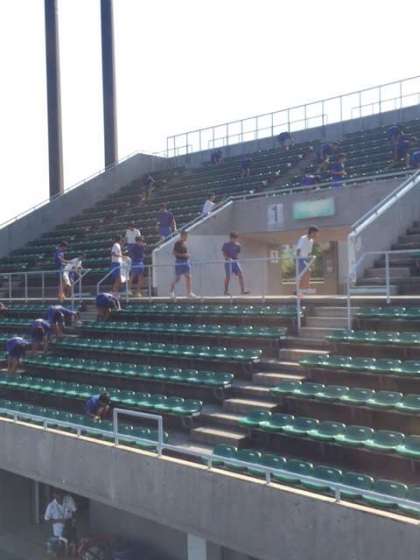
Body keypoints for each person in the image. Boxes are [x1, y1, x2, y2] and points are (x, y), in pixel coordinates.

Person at [169, 230, 196, 298]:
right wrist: (183, 255)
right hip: (179, 262)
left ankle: (189, 292)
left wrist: (187, 255)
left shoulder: (185, 243)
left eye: (187, 236)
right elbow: (174, 253)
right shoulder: (177, 243)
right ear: (182, 236)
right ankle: (171, 291)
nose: (187, 237)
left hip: (186, 262)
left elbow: (184, 252)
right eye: (185, 236)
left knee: (188, 276)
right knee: (177, 278)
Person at [296, 226, 319, 291]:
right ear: (311, 232)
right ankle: (300, 289)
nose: (316, 235)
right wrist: (297, 260)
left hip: (306, 259)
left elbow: (309, 253)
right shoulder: (303, 238)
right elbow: (298, 249)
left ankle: (305, 287)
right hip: (300, 258)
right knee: (303, 273)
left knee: (308, 271)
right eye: (315, 233)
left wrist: (310, 261)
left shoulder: (311, 241)